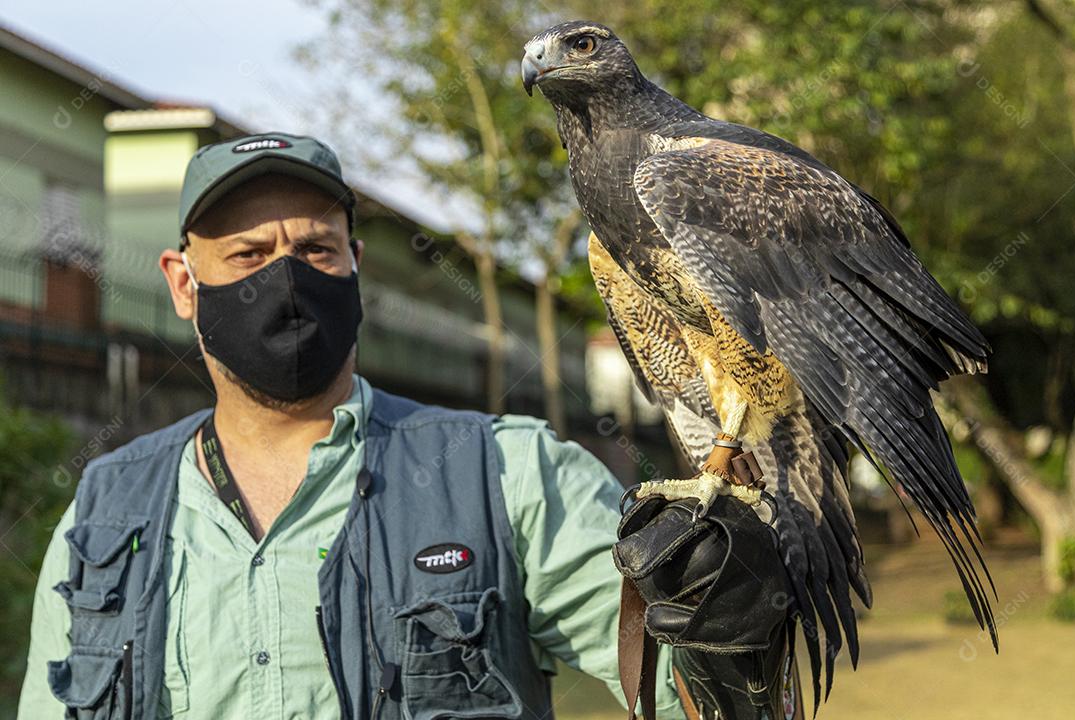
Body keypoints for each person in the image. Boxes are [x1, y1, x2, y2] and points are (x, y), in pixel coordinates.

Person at [16, 132, 795, 720]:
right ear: (183, 285)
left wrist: (724, 615)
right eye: (248, 254)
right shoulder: (106, 508)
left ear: (354, 264)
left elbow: (687, 693)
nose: (285, 277)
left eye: (315, 249)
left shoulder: (509, 473)